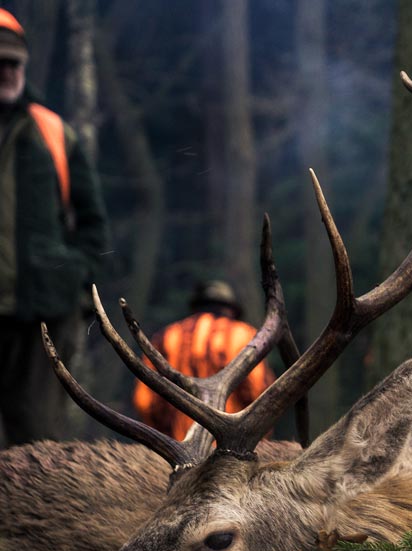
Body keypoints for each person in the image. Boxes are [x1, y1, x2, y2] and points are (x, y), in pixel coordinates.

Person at [0, 10, 109, 446]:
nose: (6, 72)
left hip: (43, 314)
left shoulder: (53, 132)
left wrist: (76, 280)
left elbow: (93, 223)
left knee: (36, 442)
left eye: (13, 63)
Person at [133, 280, 275, 440]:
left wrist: (163, 435)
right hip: (230, 445)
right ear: (231, 309)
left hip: (177, 445)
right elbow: (258, 391)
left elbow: (145, 402)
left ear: (196, 307)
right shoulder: (244, 335)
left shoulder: (166, 337)